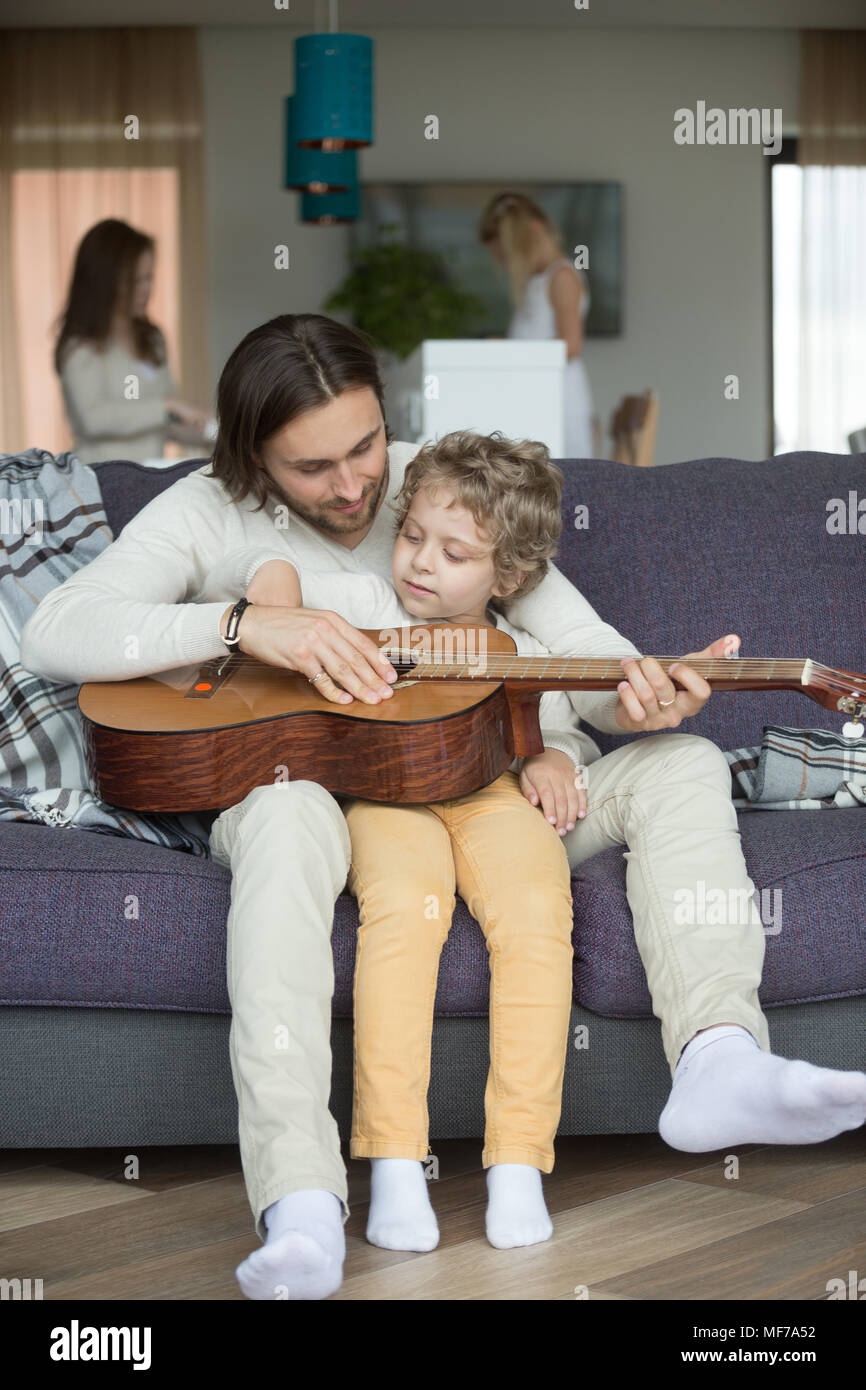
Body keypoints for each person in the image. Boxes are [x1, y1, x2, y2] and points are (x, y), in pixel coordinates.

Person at [20, 313, 866, 1303]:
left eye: (365, 445)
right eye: (311, 468)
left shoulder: (436, 486)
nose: (352, 489)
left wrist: (635, 690)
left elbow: (574, 640)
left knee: (678, 760)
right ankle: (300, 1202)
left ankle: (720, 1057)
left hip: (499, 777)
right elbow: (55, 630)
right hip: (307, 785)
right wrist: (253, 623)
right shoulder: (206, 512)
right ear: (251, 453)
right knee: (290, 823)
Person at [54, 218, 217, 465]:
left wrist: (214, 433)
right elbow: (93, 420)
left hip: (148, 479)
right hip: (100, 483)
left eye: (149, 278)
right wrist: (167, 408)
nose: (146, 289)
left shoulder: (153, 339)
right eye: (135, 281)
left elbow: (165, 424)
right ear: (105, 281)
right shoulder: (80, 346)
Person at [479, 191, 594, 459]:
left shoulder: (561, 276)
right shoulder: (537, 282)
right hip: (537, 397)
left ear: (534, 231)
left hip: (559, 400)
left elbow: (572, 344)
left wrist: (513, 351)